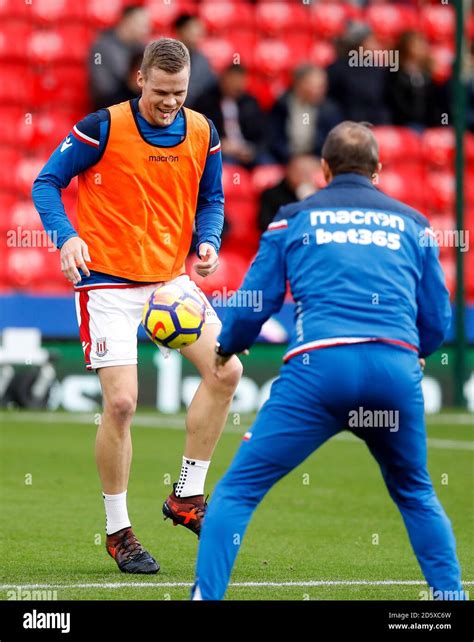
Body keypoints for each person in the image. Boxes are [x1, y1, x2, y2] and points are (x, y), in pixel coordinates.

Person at [192, 121, 465, 601]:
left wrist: (226, 346)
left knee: (236, 493)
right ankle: (449, 601)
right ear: (378, 171)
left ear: (323, 170)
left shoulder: (290, 219)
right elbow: (438, 319)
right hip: (393, 373)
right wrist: (416, 352)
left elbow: (256, 301)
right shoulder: (415, 224)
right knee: (416, 493)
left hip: (319, 374)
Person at [32, 38, 242, 575]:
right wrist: (65, 237)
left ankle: (186, 496)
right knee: (122, 404)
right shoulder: (102, 126)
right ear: (140, 79)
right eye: (161, 91)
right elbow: (47, 182)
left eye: (180, 91)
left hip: (170, 282)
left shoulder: (203, 131)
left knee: (228, 371)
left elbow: (211, 196)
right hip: (105, 283)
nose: (170, 101)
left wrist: (209, 239)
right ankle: (119, 531)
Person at [194, 64, 267, 167]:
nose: (237, 85)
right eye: (233, 80)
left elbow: (262, 134)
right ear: (223, 79)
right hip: (220, 150)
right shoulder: (206, 101)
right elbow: (200, 133)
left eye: (240, 81)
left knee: (267, 163)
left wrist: (252, 149)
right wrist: (220, 144)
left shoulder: (250, 103)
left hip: (246, 151)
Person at [268, 65, 342, 164]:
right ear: (299, 84)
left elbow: (333, 143)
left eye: (322, 86)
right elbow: (273, 138)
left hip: (317, 160)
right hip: (284, 159)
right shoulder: (282, 105)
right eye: (314, 86)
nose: (320, 91)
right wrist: (289, 159)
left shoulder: (330, 110)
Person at [88, 4, 150, 110]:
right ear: (127, 21)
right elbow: (102, 90)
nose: (146, 30)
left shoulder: (142, 48)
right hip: (110, 110)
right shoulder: (102, 47)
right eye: (142, 25)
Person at [327, 23, 391, 125]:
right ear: (358, 44)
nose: (375, 46)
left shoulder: (376, 69)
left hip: (375, 124)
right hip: (347, 124)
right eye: (371, 41)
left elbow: (382, 101)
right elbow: (332, 102)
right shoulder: (337, 69)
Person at [387, 31, 444, 129]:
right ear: (406, 47)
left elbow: (436, 103)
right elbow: (396, 101)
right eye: (417, 44)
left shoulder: (429, 74)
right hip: (403, 124)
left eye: (423, 44)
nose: (422, 47)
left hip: (428, 125)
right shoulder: (395, 73)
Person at [257, 154, 321, 231]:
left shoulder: (320, 194)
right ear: (289, 171)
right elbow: (265, 224)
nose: (305, 178)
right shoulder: (271, 194)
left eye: (310, 174)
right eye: (302, 173)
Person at [173, 13, 216, 109]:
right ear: (180, 30)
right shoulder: (166, 56)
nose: (198, 32)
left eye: (199, 28)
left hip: (196, 112)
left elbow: (211, 86)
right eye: (193, 28)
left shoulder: (203, 60)